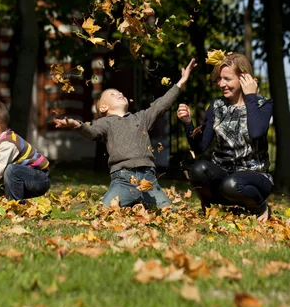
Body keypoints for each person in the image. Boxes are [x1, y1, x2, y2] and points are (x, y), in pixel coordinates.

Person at [54, 59, 196, 209]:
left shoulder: (141, 118)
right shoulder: (105, 123)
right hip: (122, 180)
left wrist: (181, 81)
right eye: (113, 94)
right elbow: (92, 133)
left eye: (120, 92)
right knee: (103, 211)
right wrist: (77, 124)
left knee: (170, 213)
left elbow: (161, 104)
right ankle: (130, 201)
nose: (120, 94)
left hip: (148, 180)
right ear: (103, 107)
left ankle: (139, 203)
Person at [177, 51, 273, 222]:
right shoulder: (217, 106)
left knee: (232, 184)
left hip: (255, 177)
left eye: (227, 79)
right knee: (197, 169)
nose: (221, 84)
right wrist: (187, 124)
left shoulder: (262, 104)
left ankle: (261, 208)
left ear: (244, 78)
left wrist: (250, 96)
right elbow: (199, 147)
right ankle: (212, 208)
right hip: (223, 174)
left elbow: (256, 133)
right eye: (219, 79)